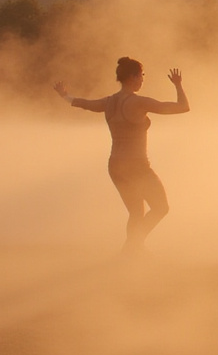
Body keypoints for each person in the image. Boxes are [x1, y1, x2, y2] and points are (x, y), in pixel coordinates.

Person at [54, 58, 190, 254]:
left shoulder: (109, 102)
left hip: (115, 166)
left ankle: (134, 249)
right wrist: (178, 85)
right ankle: (132, 246)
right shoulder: (138, 102)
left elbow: (83, 103)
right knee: (161, 208)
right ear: (133, 77)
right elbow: (182, 107)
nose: (142, 79)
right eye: (141, 75)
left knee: (136, 212)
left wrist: (64, 95)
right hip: (137, 166)